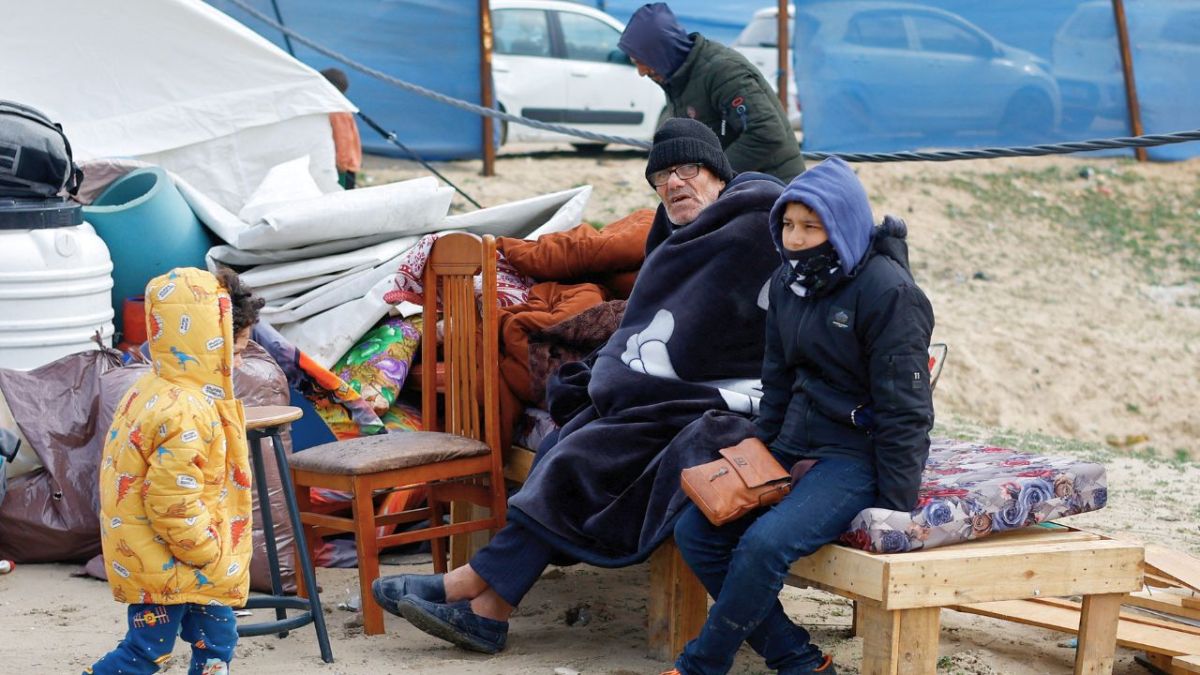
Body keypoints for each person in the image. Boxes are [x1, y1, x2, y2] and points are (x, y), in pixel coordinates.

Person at [372, 118, 785, 654]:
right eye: (661, 177)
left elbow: (718, 334)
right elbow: (649, 320)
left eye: (688, 169)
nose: (674, 184)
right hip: (677, 388)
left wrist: (637, 376)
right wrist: (617, 373)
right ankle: (488, 610)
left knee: (597, 446)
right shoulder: (674, 238)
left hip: (738, 394)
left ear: (718, 174)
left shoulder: (753, 225)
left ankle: (472, 587)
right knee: (569, 434)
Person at [665, 157, 935, 675]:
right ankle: (798, 661)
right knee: (697, 531)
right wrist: (760, 455)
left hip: (855, 454)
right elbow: (778, 379)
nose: (795, 238)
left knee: (762, 545)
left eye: (811, 227)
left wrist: (895, 507)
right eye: (788, 224)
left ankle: (701, 666)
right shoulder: (789, 282)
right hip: (794, 440)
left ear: (843, 225)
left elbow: (907, 409)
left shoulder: (889, 293)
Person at [86, 267, 265, 675]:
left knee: (217, 642)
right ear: (209, 343)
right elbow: (171, 500)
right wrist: (206, 550)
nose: (238, 362)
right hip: (175, 559)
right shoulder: (185, 410)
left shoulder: (154, 386)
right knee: (146, 651)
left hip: (186, 559)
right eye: (236, 351)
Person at [618, 2, 805, 183]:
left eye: (641, 61)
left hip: (773, 188)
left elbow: (766, 133)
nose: (641, 72)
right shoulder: (675, 76)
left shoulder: (722, 71)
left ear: (659, 52)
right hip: (736, 187)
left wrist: (712, 175)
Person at [320, 67, 363, 190]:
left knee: (340, 197)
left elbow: (343, 139)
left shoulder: (337, 110)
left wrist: (341, 164)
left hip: (342, 168)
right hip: (342, 166)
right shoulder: (337, 108)